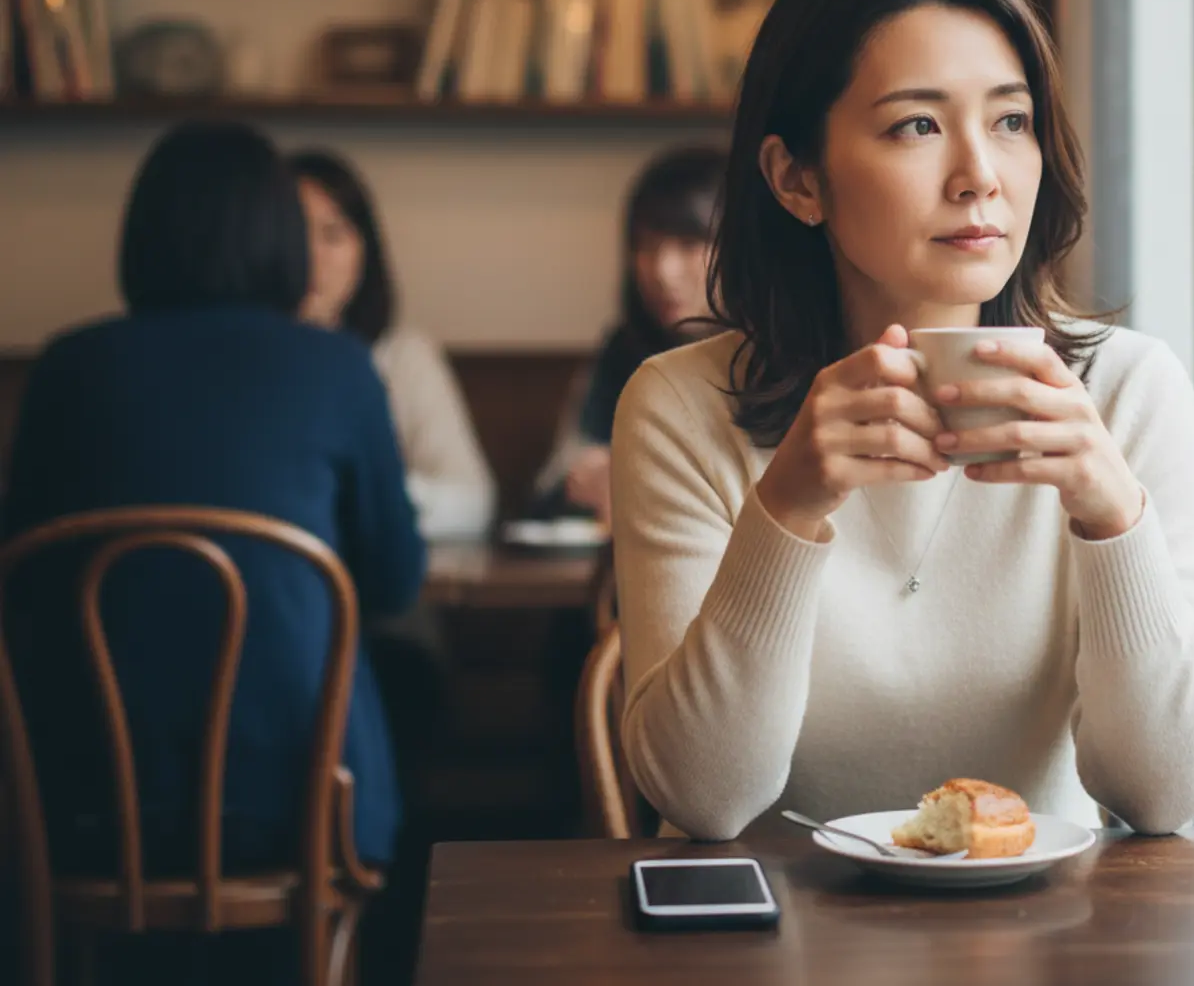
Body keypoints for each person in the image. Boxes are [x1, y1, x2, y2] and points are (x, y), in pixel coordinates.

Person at [611, 0, 1194, 841]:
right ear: (797, 179)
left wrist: (1110, 511)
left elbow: (1167, 794)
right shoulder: (679, 407)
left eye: (1010, 122)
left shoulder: (1130, 389)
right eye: (919, 125)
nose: (979, 174)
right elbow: (706, 799)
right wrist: (786, 505)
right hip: (769, 943)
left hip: (1047, 940)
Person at [0, 121, 423, 876]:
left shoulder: (67, 368)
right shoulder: (337, 369)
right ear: (283, 241)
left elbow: (21, 576)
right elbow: (395, 580)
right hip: (304, 798)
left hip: (87, 797)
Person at [290, 149, 496, 539]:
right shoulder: (246, 361)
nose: (312, 257)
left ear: (365, 250)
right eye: (294, 236)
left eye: (332, 235)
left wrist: (367, 496)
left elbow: (473, 499)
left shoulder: (402, 357)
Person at [530, 144, 725, 525]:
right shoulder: (624, 350)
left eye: (689, 245)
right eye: (645, 246)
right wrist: (586, 479)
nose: (661, 270)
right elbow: (551, 489)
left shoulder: (779, 354)